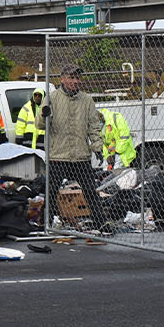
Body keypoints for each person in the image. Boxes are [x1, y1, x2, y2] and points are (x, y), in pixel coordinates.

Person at [43, 65, 112, 234]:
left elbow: (93, 126)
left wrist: (97, 146)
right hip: (58, 156)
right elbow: (40, 125)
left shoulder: (87, 100)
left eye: (77, 78)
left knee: (90, 191)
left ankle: (100, 222)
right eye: (71, 77)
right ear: (62, 79)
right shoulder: (52, 98)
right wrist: (44, 114)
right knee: (51, 192)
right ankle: (45, 223)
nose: (75, 81)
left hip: (80, 156)